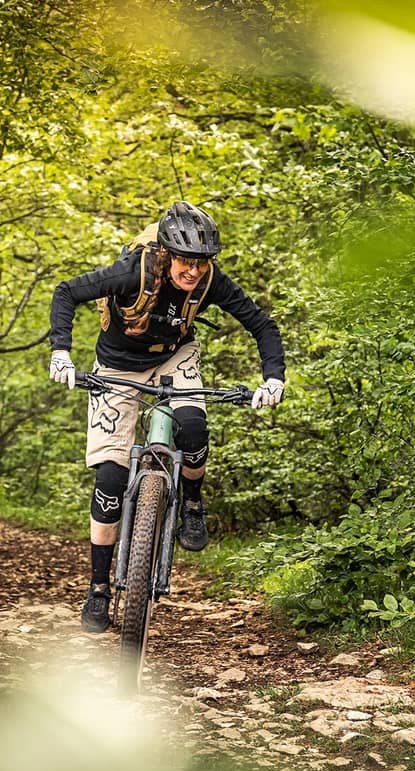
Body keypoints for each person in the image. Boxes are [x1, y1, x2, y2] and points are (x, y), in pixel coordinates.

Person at [47, 201, 285, 633]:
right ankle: (99, 586)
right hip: (117, 367)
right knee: (110, 480)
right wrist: (60, 352)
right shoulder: (132, 272)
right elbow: (66, 291)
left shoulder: (210, 282)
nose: (192, 271)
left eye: (200, 263)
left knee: (192, 426)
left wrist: (273, 379)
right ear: (167, 253)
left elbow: (262, 325)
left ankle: (191, 502)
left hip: (176, 357)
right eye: (184, 261)